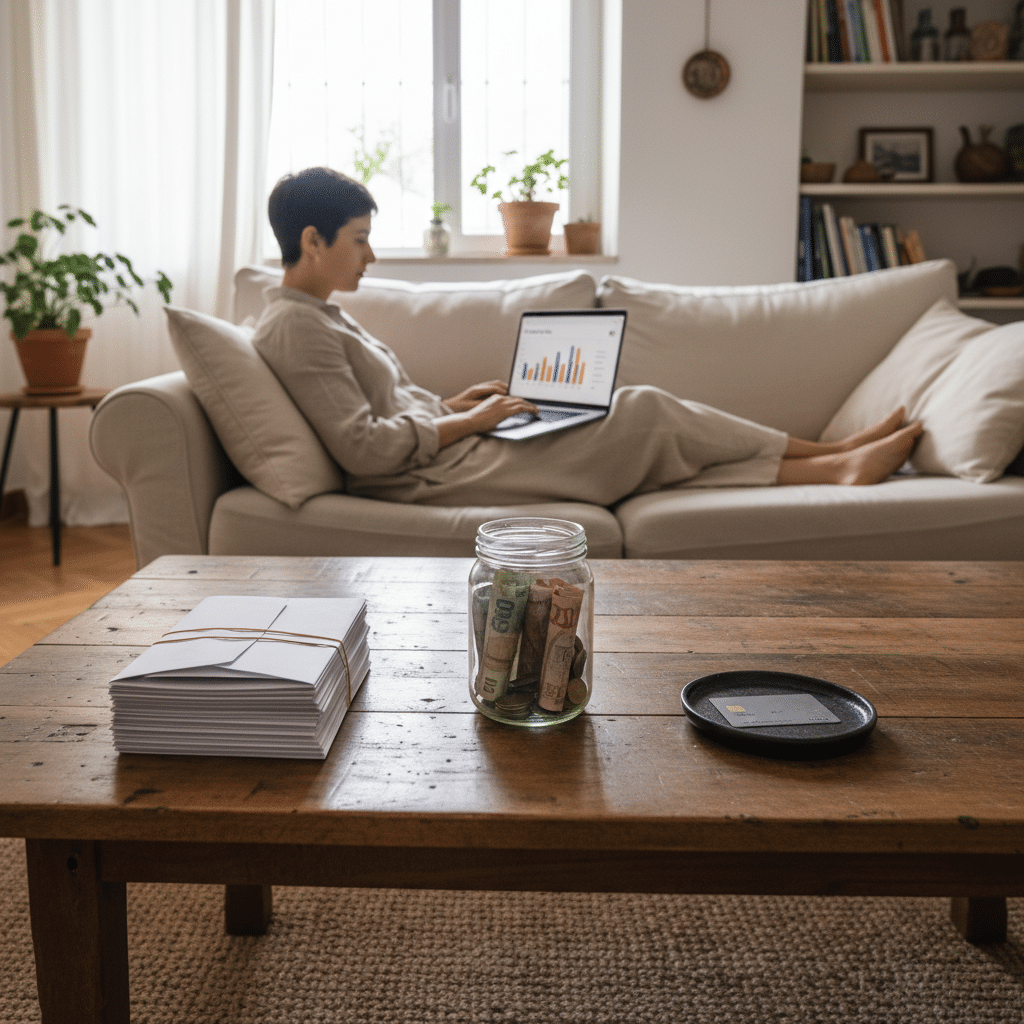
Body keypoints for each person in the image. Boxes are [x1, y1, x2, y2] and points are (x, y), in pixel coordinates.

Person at [254, 167, 923, 507]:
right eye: (360, 241)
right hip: (433, 479)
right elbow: (363, 449)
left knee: (645, 427)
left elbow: (387, 410)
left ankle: (837, 460)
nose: (371, 257)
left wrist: (458, 406)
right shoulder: (295, 328)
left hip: (448, 452)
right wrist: (472, 424)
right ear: (312, 242)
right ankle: (833, 458)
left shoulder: (321, 316)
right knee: (642, 412)